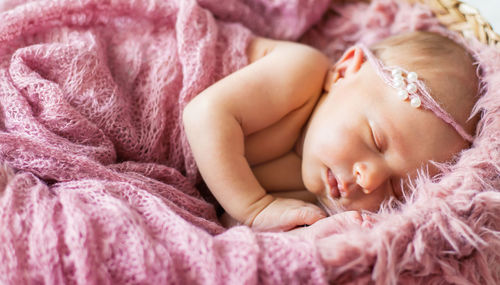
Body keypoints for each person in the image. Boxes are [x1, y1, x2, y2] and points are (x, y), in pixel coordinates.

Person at [182, 31, 479, 232]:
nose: (371, 180)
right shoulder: (301, 72)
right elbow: (203, 115)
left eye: (396, 188)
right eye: (376, 141)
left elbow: (229, 223)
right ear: (345, 71)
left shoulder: (311, 196)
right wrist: (255, 208)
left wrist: (310, 229)